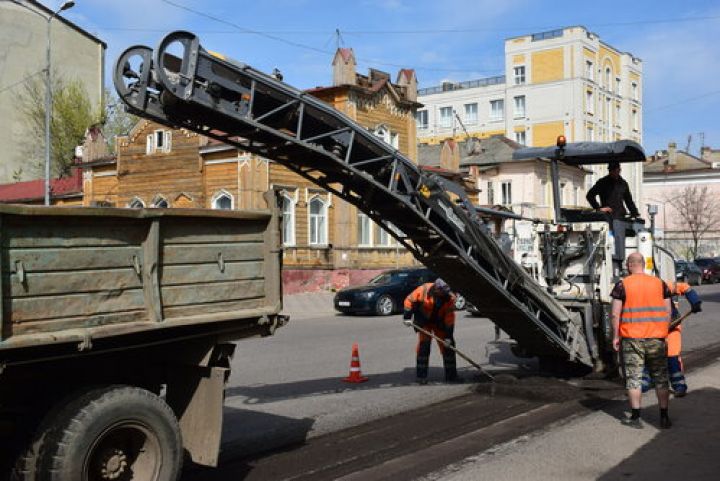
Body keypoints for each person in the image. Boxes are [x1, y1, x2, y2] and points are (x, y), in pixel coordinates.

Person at [611, 252, 672, 429]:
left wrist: (616, 336)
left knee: (634, 378)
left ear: (629, 265)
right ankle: (664, 417)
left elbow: (615, 314)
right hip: (657, 338)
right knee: (661, 377)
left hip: (632, 338)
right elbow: (668, 312)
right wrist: (662, 329)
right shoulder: (660, 283)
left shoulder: (622, 285)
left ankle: (636, 417)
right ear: (644, 264)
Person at [642, 281, 702, 397]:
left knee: (672, 356)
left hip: (672, 326)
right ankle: (645, 383)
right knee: (647, 355)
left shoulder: (663, 285)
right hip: (653, 328)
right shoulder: (640, 292)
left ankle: (679, 386)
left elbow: (684, 287)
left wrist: (694, 301)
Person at [403, 278, 460, 384]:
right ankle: (421, 377)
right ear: (436, 289)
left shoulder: (449, 298)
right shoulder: (423, 289)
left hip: (439, 322)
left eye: (446, 292)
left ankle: (451, 376)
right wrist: (407, 317)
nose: (444, 294)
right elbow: (409, 300)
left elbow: (449, 319)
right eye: (442, 291)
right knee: (424, 347)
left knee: (449, 347)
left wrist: (448, 336)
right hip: (424, 322)